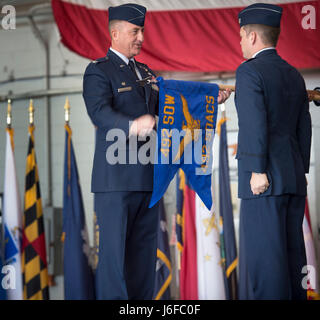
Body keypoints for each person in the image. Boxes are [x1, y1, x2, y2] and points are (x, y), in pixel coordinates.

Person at [83, 3, 230, 300]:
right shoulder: (98, 71)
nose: (141, 38)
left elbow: (174, 105)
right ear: (115, 32)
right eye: (135, 31)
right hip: (116, 183)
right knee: (114, 262)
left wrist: (211, 97)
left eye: (142, 32)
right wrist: (132, 125)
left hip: (149, 181)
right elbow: (99, 112)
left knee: (142, 262)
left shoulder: (146, 73)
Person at [235, 3, 312, 300]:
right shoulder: (295, 75)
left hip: (263, 182)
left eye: (241, 36)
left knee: (267, 266)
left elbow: (254, 122)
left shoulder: (249, 72)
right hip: (292, 180)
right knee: (294, 262)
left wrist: (256, 170)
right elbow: (303, 127)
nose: (240, 42)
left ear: (251, 36)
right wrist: (301, 169)